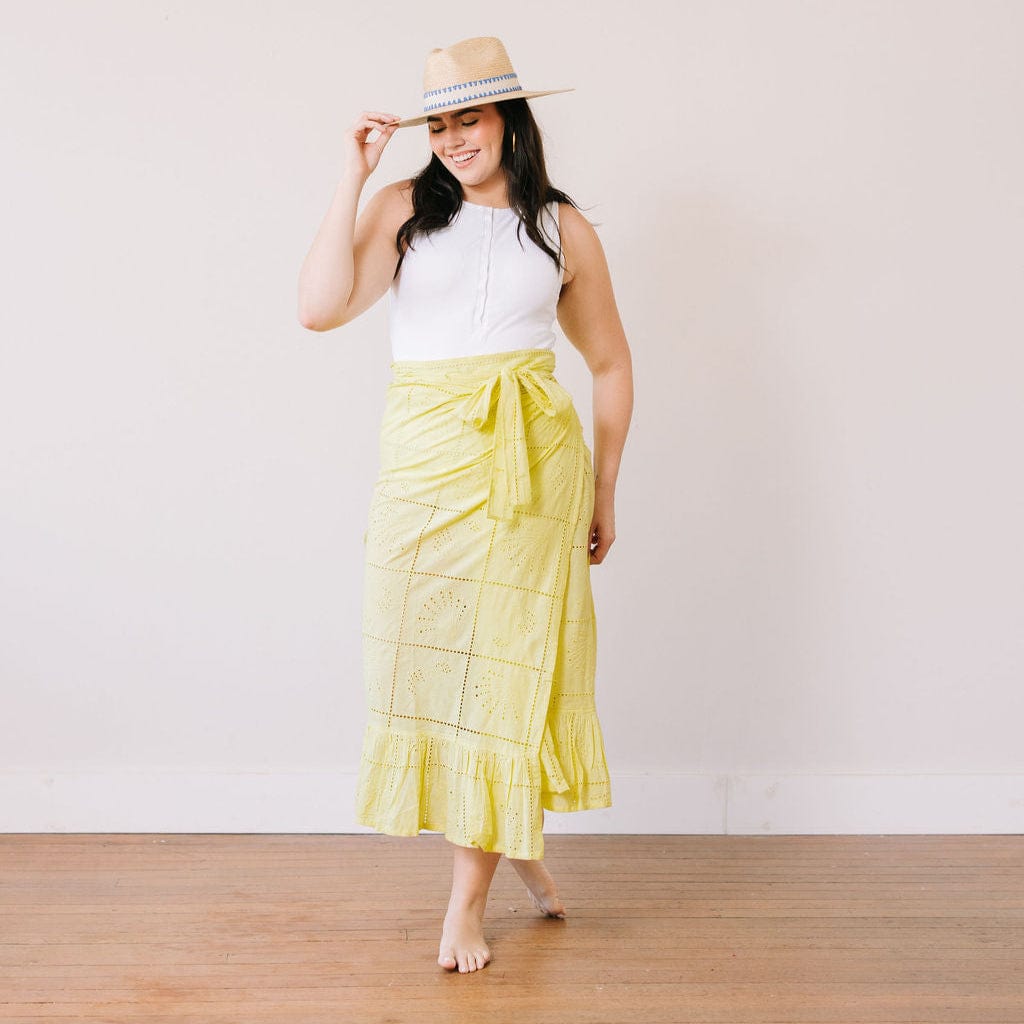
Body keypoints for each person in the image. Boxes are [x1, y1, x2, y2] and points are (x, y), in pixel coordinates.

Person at [297, 36, 633, 975]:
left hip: (533, 477)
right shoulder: (404, 207)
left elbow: (611, 362)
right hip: (424, 466)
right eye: (438, 124)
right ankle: (513, 837)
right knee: (425, 662)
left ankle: (466, 904)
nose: (453, 139)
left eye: (469, 119)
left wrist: (605, 488)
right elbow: (318, 308)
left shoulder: (561, 227)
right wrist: (352, 176)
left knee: (503, 673)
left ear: (509, 119)